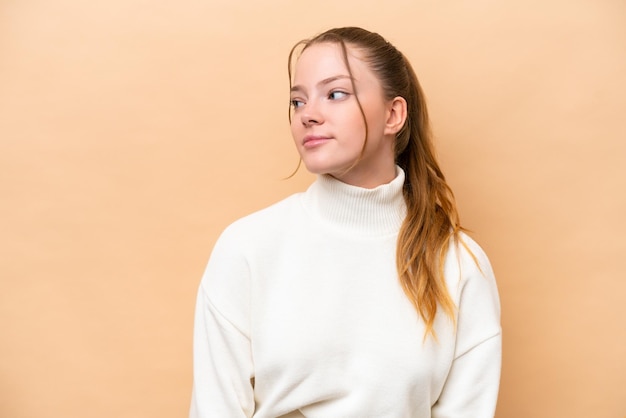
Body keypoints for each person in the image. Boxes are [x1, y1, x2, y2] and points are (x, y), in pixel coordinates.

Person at [190, 26, 501, 418]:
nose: (309, 115)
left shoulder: (459, 265)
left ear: (393, 114)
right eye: (297, 101)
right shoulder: (247, 247)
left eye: (335, 94)